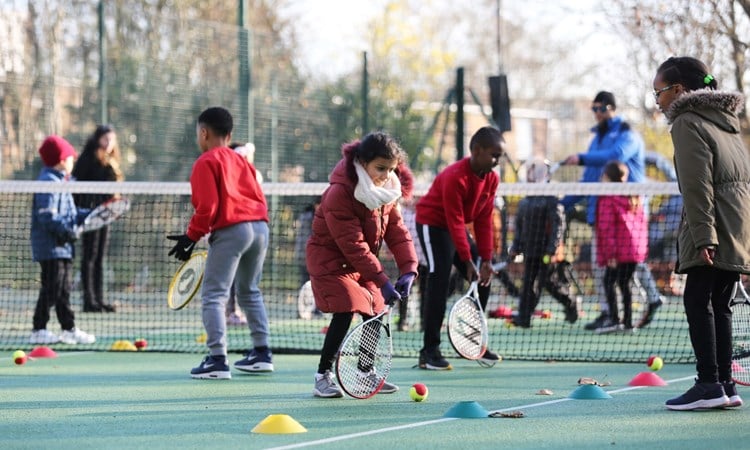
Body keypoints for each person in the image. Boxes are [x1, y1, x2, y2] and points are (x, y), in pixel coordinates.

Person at [653, 56, 750, 410]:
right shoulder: (727, 123)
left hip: (710, 226)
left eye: (659, 93)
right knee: (720, 304)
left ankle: (708, 385)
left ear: (678, 91)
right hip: (736, 226)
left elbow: (697, 186)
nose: (658, 102)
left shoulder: (687, 122)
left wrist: (704, 235)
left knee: (697, 301)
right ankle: (726, 385)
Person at [306, 132, 417, 398]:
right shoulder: (339, 194)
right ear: (362, 162)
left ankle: (365, 373)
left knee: (377, 308)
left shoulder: (387, 191)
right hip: (329, 262)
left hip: (357, 265)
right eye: (380, 168)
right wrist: (382, 280)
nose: (387, 175)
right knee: (345, 307)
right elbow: (353, 246)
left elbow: (397, 232)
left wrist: (409, 269)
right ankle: (322, 376)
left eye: (391, 169)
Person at [167, 107, 273, 379]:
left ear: (204, 133)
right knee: (250, 290)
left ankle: (217, 359)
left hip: (233, 230)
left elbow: (208, 207)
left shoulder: (206, 161)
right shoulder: (243, 162)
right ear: (230, 134)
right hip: (261, 228)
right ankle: (262, 354)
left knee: (214, 295)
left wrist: (191, 237)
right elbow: (259, 199)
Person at [559, 91, 663, 330]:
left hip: (630, 212)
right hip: (604, 209)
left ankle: (623, 311)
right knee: (617, 265)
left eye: (601, 108)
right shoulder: (596, 139)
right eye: (593, 109)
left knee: (628, 261)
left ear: (611, 108)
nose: (597, 114)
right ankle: (619, 310)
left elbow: (614, 157)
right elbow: (590, 180)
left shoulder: (628, 135)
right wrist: (563, 202)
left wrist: (582, 158)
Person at [415, 126, 504, 370]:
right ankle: (429, 351)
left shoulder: (491, 179)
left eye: (500, 156)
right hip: (432, 223)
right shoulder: (456, 176)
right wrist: (466, 261)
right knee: (439, 278)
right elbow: (454, 220)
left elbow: (484, 220)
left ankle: (474, 343)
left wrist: (485, 260)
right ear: (476, 151)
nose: (497, 161)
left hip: (455, 227)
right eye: (493, 155)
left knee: (484, 280)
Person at [30, 135, 96, 345]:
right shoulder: (48, 182)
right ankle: (38, 329)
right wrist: (68, 231)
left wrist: (93, 213)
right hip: (50, 248)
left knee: (63, 289)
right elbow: (47, 215)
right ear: (60, 159)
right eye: (70, 157)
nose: (73, 161)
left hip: (63, 248)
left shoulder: (62, 182)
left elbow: (71, 213)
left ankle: (68, 328)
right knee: (52, 287)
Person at [509, 158, 578, 328]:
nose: (532, 174)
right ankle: (524, 317)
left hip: (547, 252)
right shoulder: (526, 200)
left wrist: (552, 249)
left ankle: (570, 302)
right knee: (529, 283)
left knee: (548, 282)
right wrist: (516, 247)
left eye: (536, 170)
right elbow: (520, 227)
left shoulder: (551, 197)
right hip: (530, 250)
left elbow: (557, 225)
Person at [72, 125, 123, 313]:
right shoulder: (87, 159)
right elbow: (76, 186)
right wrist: (82, 212)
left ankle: (99, 300)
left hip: (105, 215)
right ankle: (89, 301)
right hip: (90, 215)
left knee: (99, 257)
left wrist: (114, 207)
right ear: (97, 139)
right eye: (105, 139)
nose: (109, 143)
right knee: (89, 257)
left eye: (112, 139)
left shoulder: (112, 161)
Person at [593, 161, 647, 333]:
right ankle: (628, 322)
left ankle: (615, 319)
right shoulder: (633, 196)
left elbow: (607, 228)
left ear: (607, 177)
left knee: (609, 282)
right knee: (625, 284)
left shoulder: (608, 198)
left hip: (619, 252)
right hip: (633, 250)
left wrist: (611, 255)